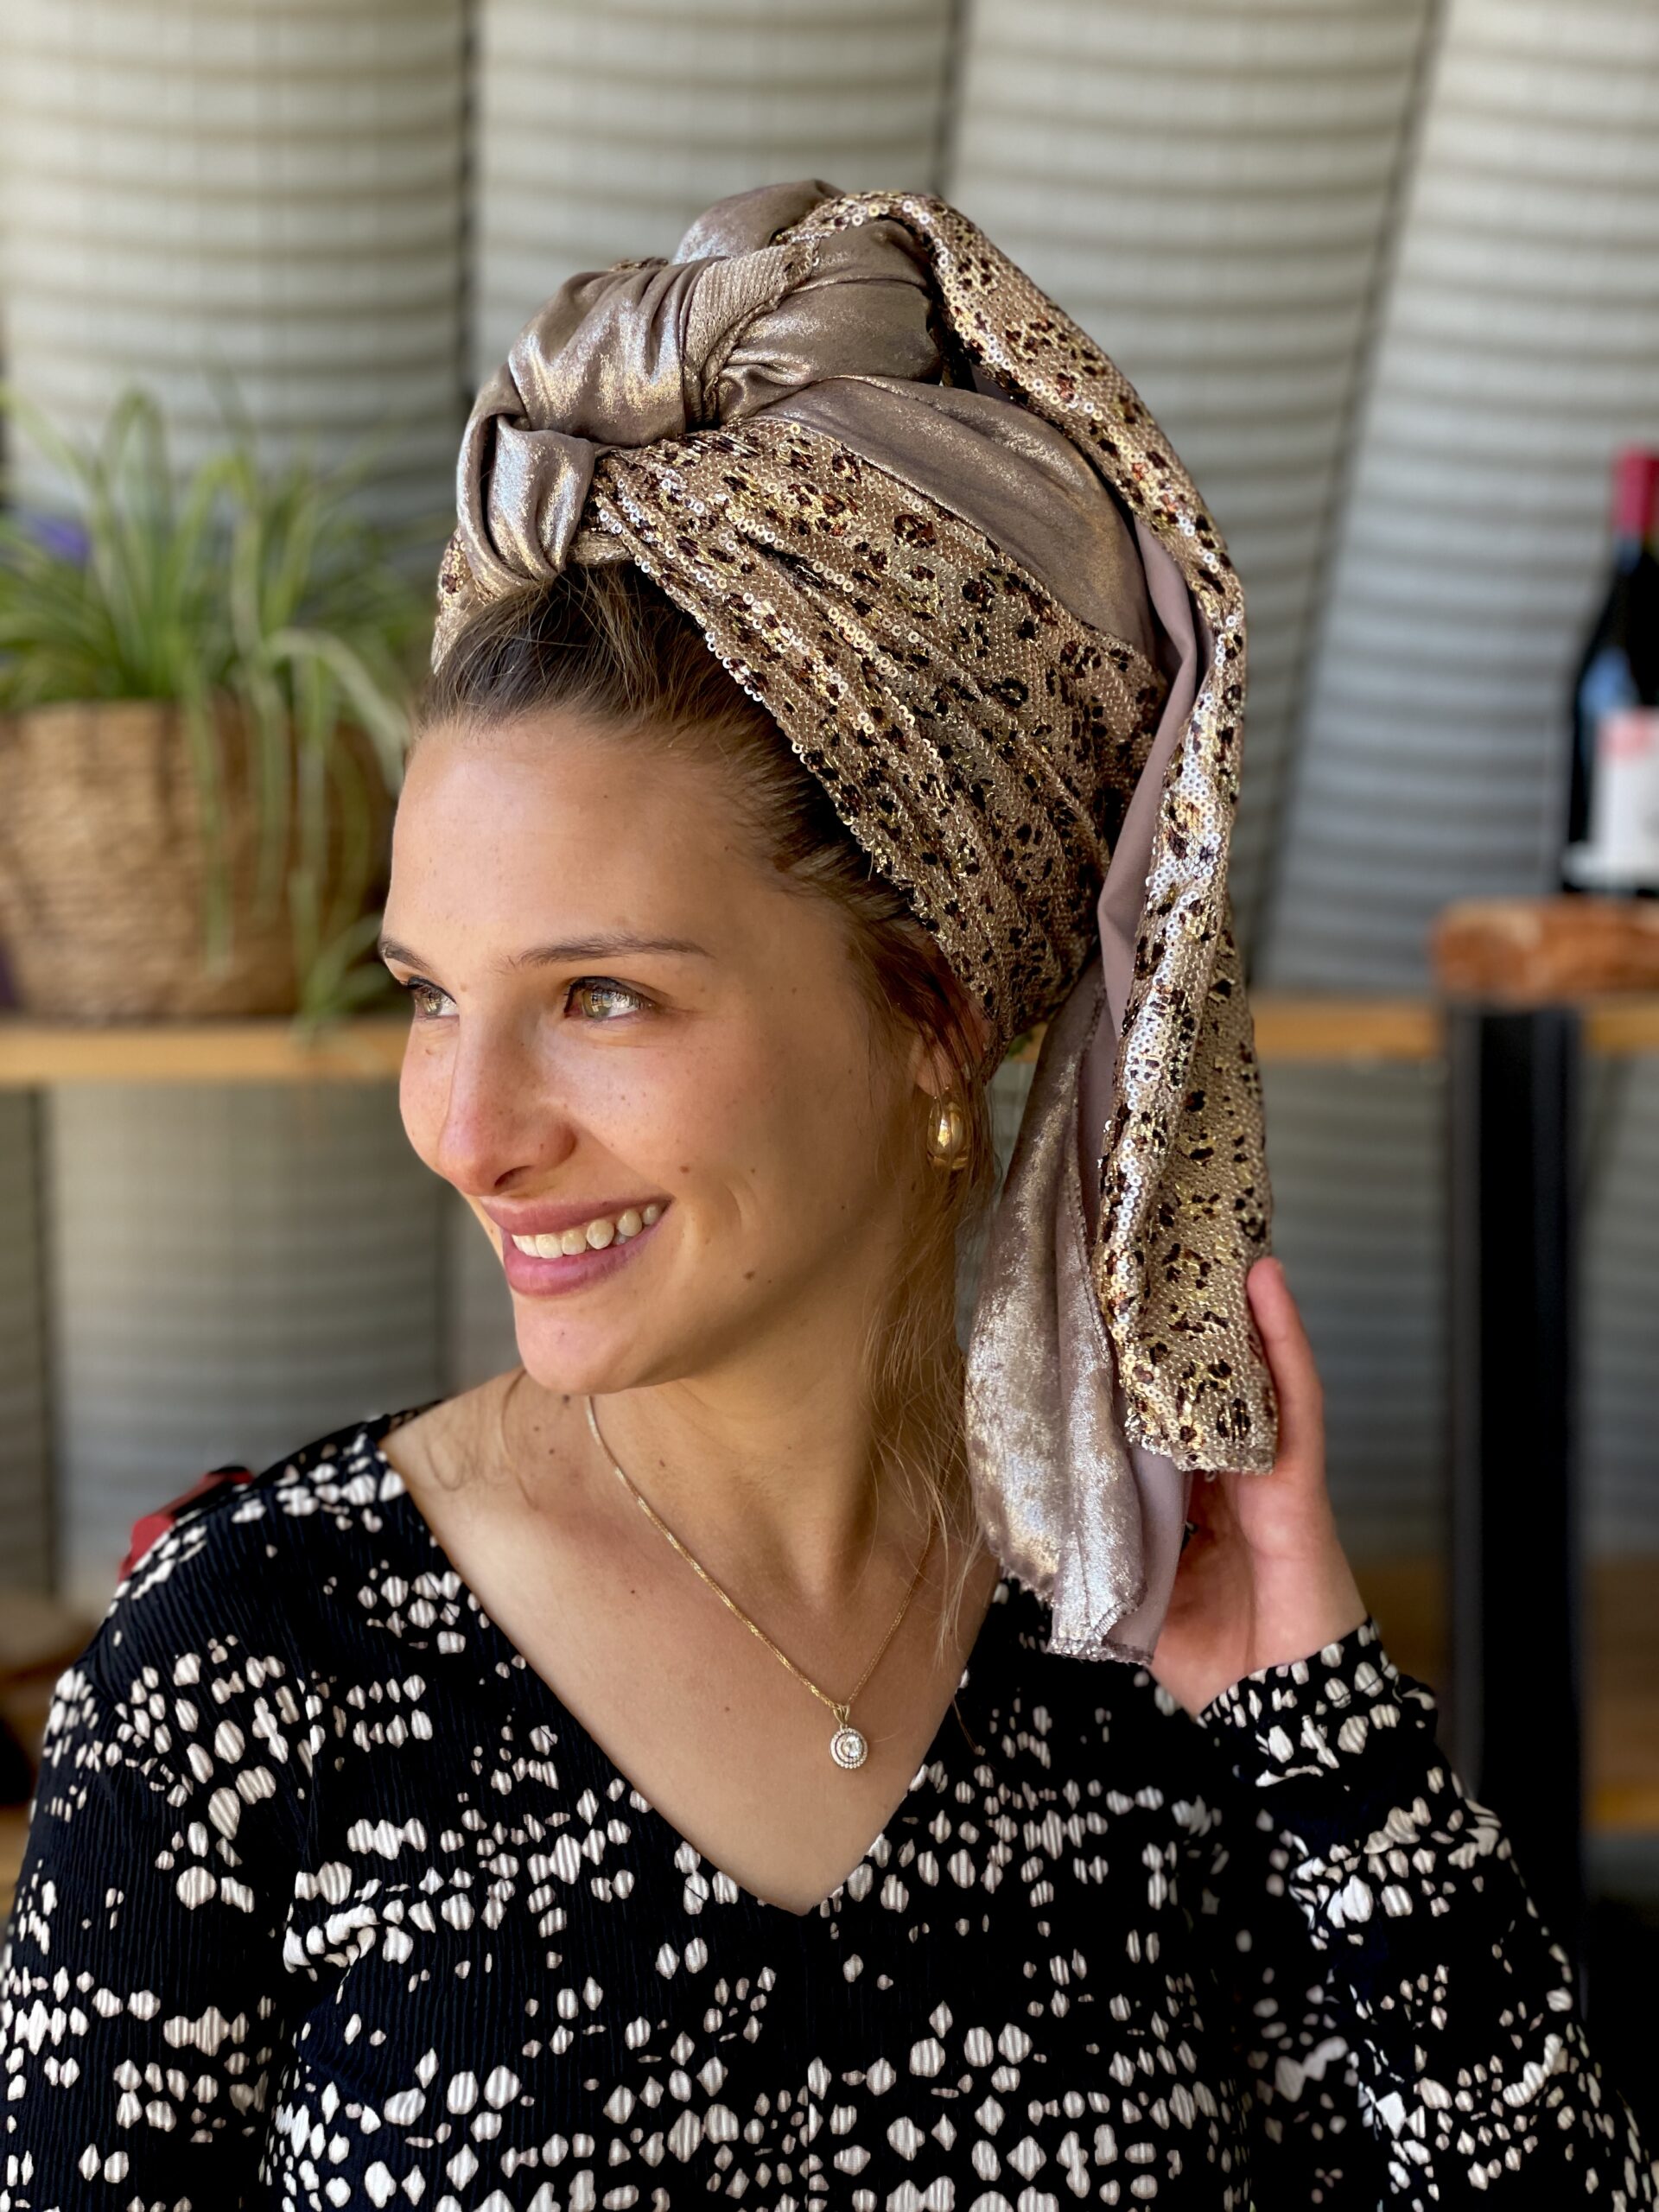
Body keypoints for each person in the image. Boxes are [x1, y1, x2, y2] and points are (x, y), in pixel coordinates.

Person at [1, 184, 1652, 2212]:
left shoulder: (1154, 1662)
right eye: (431, 993)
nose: (467, 1126)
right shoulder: (251, 1656)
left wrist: (1323, 1725)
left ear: (932, 1010)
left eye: (600, 995)